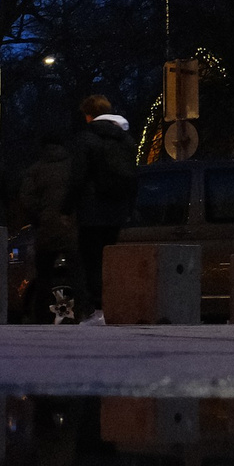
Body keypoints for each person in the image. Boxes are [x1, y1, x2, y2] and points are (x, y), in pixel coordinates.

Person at [65, 96, 139, 324]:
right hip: (116, 209)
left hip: (91, 210)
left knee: (89, 262)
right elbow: (133, 177)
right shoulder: (126, 140)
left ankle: (93, 310)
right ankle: (108, 308)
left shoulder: (85, 138)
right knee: (108, 259)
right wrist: (129, 207)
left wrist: (66, 206)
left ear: (88, 115)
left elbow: (77, 177)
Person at [18, 130, 80, 323]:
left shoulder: (35, 170)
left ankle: (42, 318)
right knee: (77, 273)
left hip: (45, 230)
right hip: (72, 227)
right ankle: (83, 314)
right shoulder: (73, 167)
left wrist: (40, 218)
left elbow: (26, 199)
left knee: (44, 275)